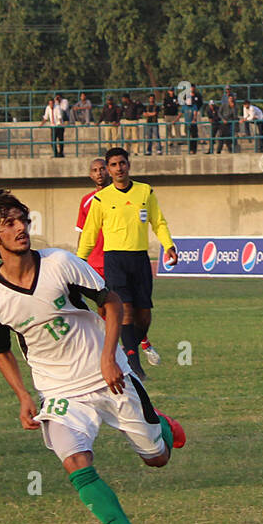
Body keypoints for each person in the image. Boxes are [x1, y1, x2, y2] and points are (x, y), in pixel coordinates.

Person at [0, 189, 184, 524]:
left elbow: (112, 302)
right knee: (75, 461)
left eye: (23, 220)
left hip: (106, 373)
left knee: (157, 458)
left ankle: (163, 426)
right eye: (10, 224)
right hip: (57, 390)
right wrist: (23, 396)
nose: (21, 228)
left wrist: (108, 358)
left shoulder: (60, 263)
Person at [76, 148, 177, 379]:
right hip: (115, 260)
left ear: (128, 165)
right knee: (126, 311)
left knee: (144, 316)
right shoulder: (101, 198)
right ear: (109, 170)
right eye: (113, 165)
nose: (118, 168)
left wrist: (168, 245)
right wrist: (79, 261)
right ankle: (133, 362)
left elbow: (158, 222)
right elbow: (90, 233)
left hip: (140, 260)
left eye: (122, 163)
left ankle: (131, 347)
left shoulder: (145, 191)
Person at [75, 158, 109, 279]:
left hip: (115, 259)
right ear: (91, 175)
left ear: (108, 170)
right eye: (95, 170)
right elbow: (81, 231)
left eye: (102, 169)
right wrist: (79, 259)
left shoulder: (119, 196)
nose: (99, 173)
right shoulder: (86, 201)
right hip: (94, 262)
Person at [42, 94, 67, 158]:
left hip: (59, 125)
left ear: (54, 103)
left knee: (61, 140)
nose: (51, 105)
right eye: (50, 104)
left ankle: (61, 153)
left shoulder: (57, 107)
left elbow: (59, 117)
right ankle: (56, 154)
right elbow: (46, 117)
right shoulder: (47, 108)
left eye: (52, 103)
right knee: (53, 141)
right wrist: (41, 124)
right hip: (53, 126)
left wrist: (61, 124)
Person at [162, 88, 181, 152]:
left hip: (175, 115)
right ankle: (170, 141)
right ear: (168, 91)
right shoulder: (166, 98)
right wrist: (172, 105)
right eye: (170, 91)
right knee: (168, 129)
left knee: (177, 128)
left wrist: (171, 105)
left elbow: (178, 105)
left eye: (172, 91)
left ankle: (178, 141)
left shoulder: (176, 97)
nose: (171, 92)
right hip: (168, 115)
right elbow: (165, 106)